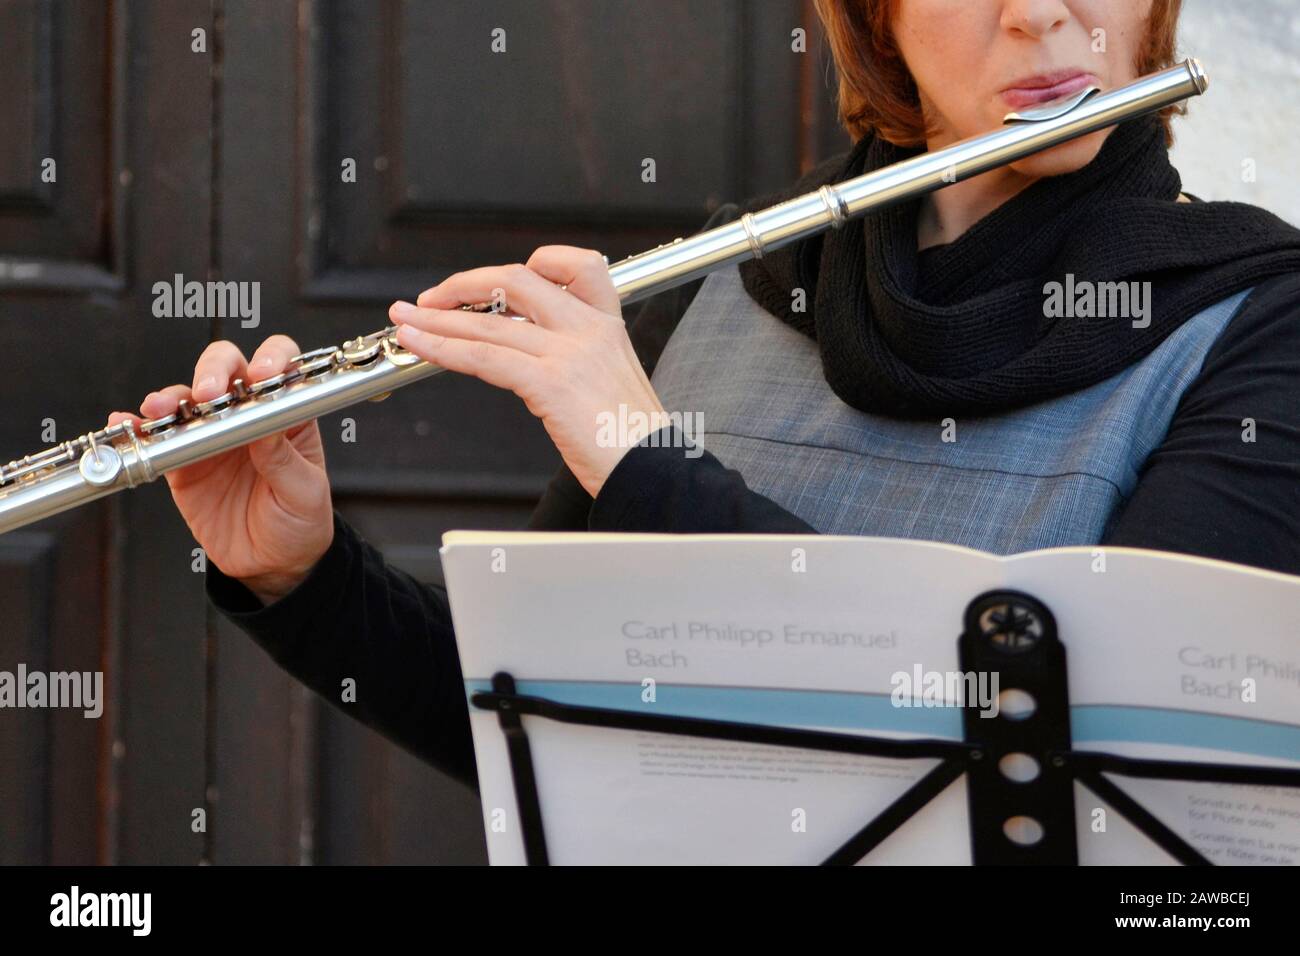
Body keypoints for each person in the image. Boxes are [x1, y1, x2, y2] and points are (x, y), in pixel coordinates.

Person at [107, 0, 1300, 789]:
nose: (1040, 11)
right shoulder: (745, 277)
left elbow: (1101, 772)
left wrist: (643, 462)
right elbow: (541, 723)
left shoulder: (1256, 325)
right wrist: (301, 573)